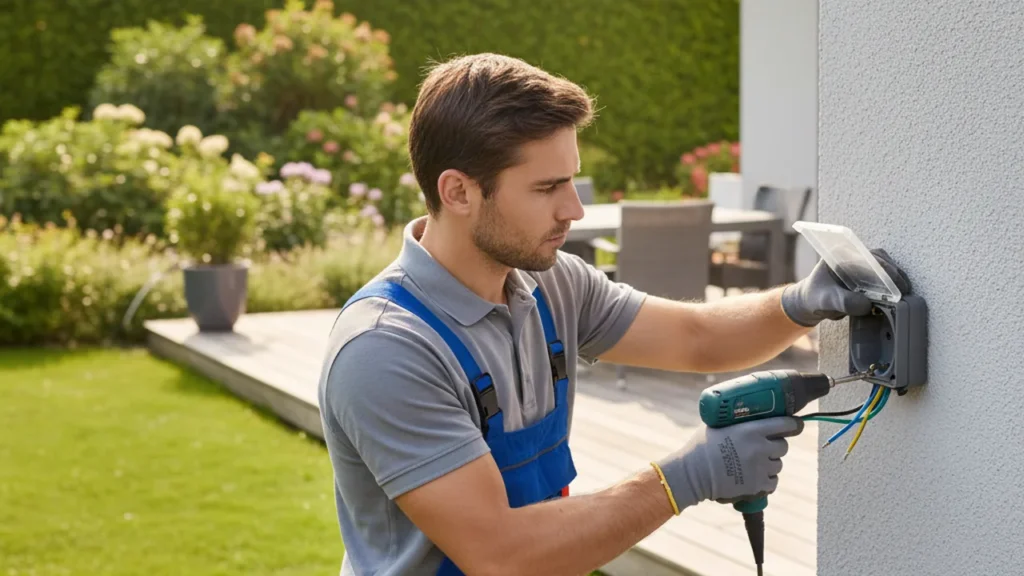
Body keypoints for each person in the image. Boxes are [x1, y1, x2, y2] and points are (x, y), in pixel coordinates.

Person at [316, 53, 910, 576]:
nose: (573, 208)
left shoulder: (550, 285)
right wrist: (688, 476)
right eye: (548, 187)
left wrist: (799, 304)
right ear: (459, 192)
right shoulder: (386, 349)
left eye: (572, 181)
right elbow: (502, 557)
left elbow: (698, 339)